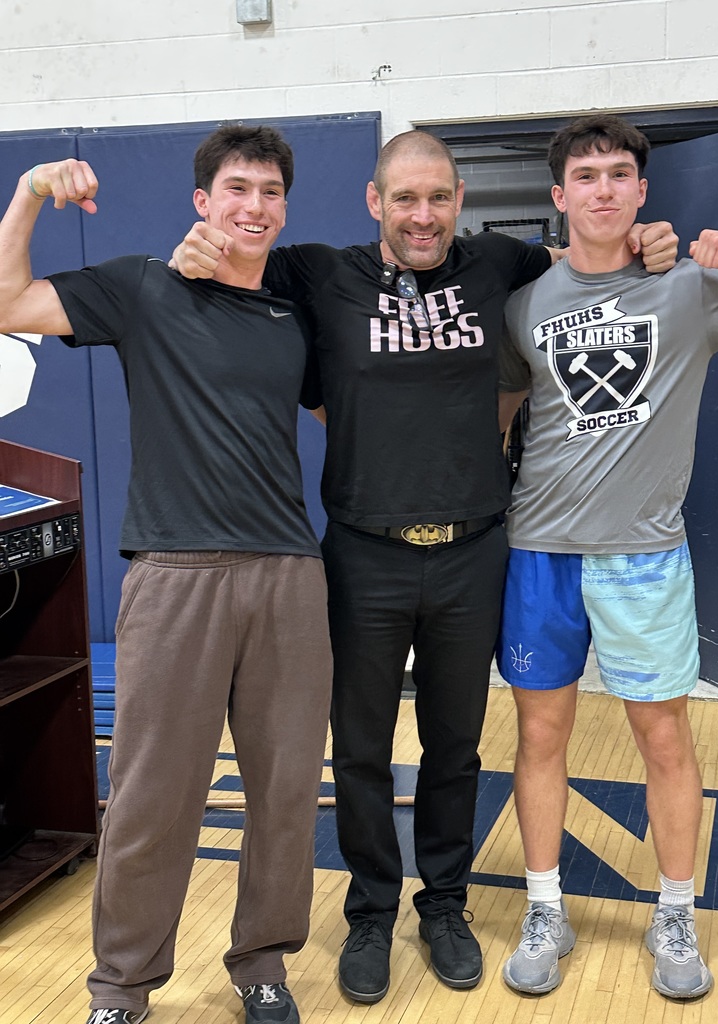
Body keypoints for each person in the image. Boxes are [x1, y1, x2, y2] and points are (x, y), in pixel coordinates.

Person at [172, 129, 678, 1003]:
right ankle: (371, 910)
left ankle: (443, 902)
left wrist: (644, 240)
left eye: (439, 198)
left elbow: (584, 261)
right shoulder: (318, 273)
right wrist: (197, 249)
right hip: (363, 555)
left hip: (473, 553)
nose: (423, 215)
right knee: (361, 749)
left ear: (460, 202)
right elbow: (233, 258)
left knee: (455, 745)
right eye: (404, 198)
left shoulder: (500, 265)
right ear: (375, 203)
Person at [0, 126, 334, 1024]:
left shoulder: (297, 311)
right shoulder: (145, 286)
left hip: (288, 575)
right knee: (153, 796)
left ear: (284, 207)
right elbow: (8, 302)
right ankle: (121, 988)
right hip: (175, 571)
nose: (252, 206)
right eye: (236, 189)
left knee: (286, 792)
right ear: (203, 200)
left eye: (268, 191)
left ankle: (262, 963)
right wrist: (30, 191)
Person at [496, 112, 718, 1001]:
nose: (604, 189)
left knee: (664, 737)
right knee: (539, 735)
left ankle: (675, 913)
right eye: (587, 176)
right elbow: (498, 418)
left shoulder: (692, 289)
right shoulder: (525, 302)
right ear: (559, 194)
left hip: (644, 560)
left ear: (643, 190)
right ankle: (546, 906)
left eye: (620, 174)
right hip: (541, 552)